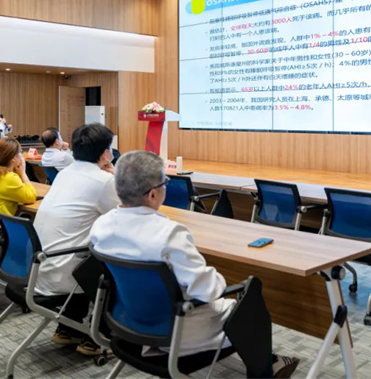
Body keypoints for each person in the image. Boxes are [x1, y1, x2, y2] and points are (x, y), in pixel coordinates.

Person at [90, 151, 300, 378]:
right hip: (174, 331)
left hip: (127, 322)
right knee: (250, 300)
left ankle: (271, 364)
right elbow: (209, 290)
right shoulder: (169, 234)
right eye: (165, 183)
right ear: (152, 195)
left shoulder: (101, 226)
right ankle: (266, 371)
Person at [33, 123, 118, 355]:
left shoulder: (65, 173)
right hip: (67, 271)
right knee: (119, 263)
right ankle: (100, 336)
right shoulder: (103, 181)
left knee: (82, 250)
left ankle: (68, 329)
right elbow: (125, 218)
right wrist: (112, 176)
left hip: (39, 266)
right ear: (105, 153)